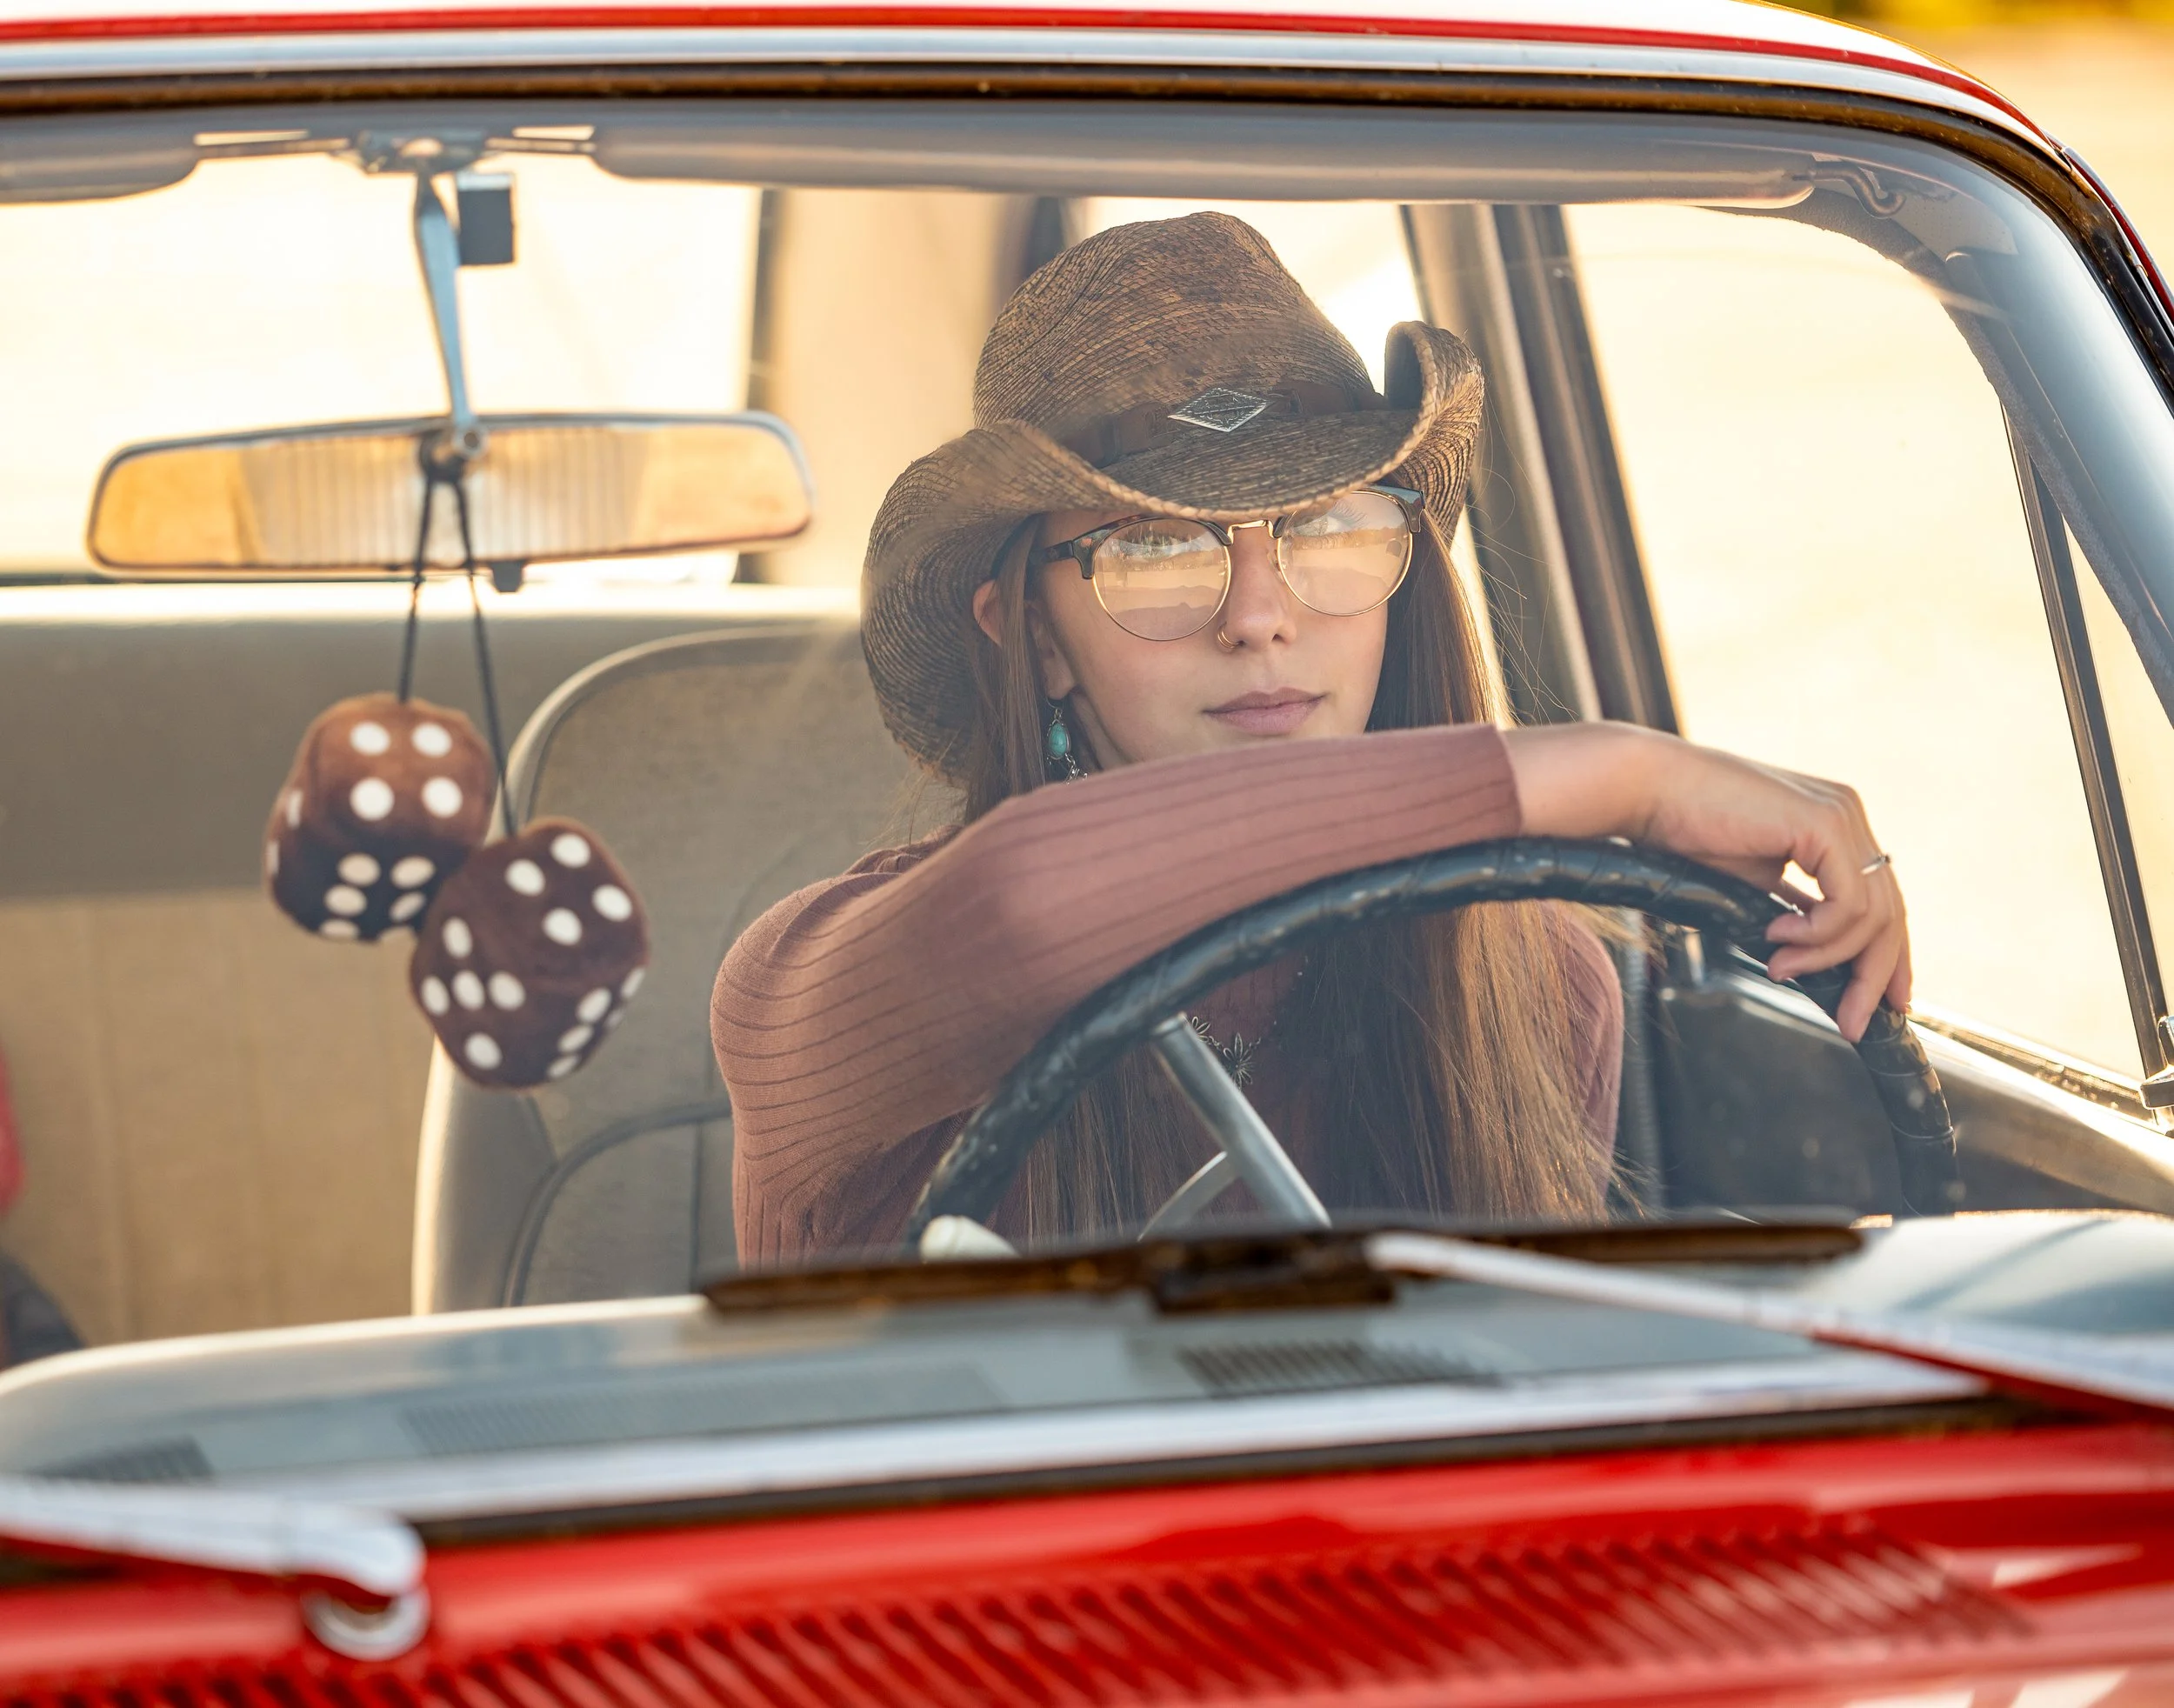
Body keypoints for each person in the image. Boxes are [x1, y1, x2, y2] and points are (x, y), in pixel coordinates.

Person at [712, 213, 1909, 1269]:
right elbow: (1021, 908)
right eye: (1157, 551)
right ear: (1034, 631)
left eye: (1329, 531)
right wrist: (1621, 773)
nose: (1260, 615)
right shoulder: (811, 985)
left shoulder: (1538, 982)